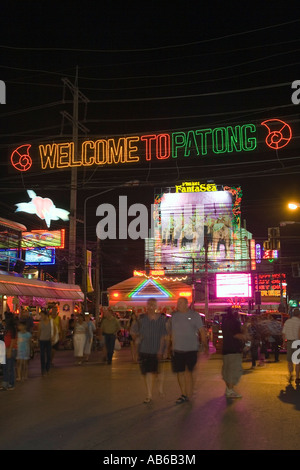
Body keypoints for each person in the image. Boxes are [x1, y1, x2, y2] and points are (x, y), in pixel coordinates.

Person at [171, 297, 208, 404]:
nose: (178, 304)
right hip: (178, 349)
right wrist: (172, 346)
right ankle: (183, 394)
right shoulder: (174, 316)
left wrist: (205, 346)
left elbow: (202, 331)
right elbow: (173, 332)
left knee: (189, 372)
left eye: (181, 303)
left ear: (186, 304)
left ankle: (189, 392)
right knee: (180, 372)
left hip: (191, 348)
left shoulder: (195, 315)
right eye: (178, 303)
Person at [131, 298, 169, 403]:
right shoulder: (141, 319)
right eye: (149, 305)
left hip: (157, 350)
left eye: (153, 305)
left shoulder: (162, 319)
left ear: (157, 307)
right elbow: (133, 332)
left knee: (158, 372)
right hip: (144, 349)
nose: (151, 307)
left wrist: (163, 350)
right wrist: (137, 339)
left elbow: (164, 336)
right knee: (147, 372)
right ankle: (149, 394)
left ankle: (160, 388)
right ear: (146, 306)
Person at [221, 308, 249, 398]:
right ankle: (230, 390)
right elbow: (237, 335)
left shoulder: (224, 321)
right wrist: (245, 334)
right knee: (234, 371)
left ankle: (228, 389)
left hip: (226, 349)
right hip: (234, 349)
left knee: (227, 370)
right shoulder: (235, 322)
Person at [0, 313, 17, 391]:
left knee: (9, 367)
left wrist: (10, 350)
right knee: (5, 367)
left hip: (11, 349)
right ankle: (5, 384)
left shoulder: (12, 328)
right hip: (6, 348)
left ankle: (11, 384)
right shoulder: (8, 328)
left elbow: (13, 340)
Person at [282, 308, 300, 383]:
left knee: (289, 361)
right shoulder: (299, 321)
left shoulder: (287, 322)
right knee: (297, 361)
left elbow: (283, 333)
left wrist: (284, 342)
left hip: (289, 342)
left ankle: (290, 374)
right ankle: (297, 377)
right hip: (297, 342)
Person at [38, 309, 56, 376]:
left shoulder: (51, 322)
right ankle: (43, 370)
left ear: (46, 315)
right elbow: (39, 332)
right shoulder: (40, 323)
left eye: (42, 315)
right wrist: (38, 339)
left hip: (48, 340)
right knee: (42, 355)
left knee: (48, 355)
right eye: (41, 315)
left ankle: (47, 368)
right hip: (42, 340)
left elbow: (54, 330)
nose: (41, 317)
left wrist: (53, 337)